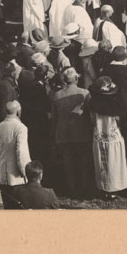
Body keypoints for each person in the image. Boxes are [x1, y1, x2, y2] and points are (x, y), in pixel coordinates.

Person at [50, 68, 93, 198]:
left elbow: (54, 118)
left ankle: (72, 189)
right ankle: (84, 188)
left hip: (63, 133)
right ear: (76, 78)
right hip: (81, 132)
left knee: (68, 163)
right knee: (84, 162)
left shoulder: (56, 95)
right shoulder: (84, 93)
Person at [89, 76, 127, 198]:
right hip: (113, 138)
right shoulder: (116, 106)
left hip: (99, 137)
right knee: (114, 164)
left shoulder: (92, 104)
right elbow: (120, 121)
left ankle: (104, 187)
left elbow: (91, 121)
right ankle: (114, 189)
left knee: (101, 162)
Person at [0, 100, 32, 209]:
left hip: (3, 174)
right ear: (19, 112)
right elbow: (21, 152)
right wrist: (26, 172)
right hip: (17, 175)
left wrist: (1, 165)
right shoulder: (21, 128)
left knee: (8, 207)